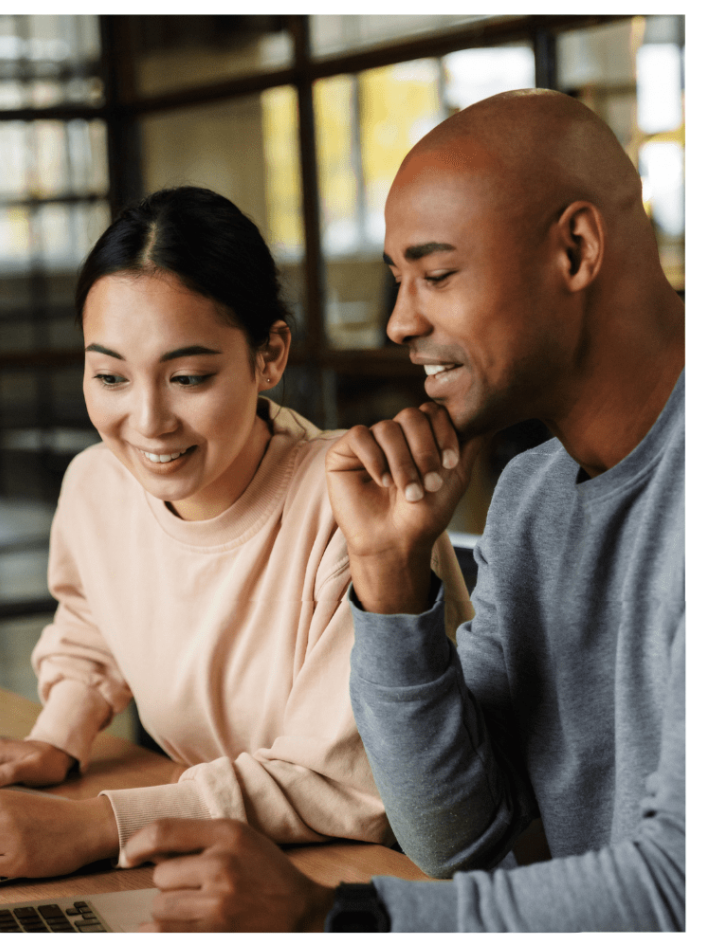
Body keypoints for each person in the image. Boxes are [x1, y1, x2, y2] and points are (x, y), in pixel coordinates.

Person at [120, 89, 685, 932]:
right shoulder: (533, 501)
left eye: (437, 274)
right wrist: (389, 579)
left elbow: (681, 888)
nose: (398, 320)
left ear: (575, 248)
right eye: (397, 280)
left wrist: (334, 912)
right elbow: (456, 834)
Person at [0, 186, 469, 879]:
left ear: (270, 356)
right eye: (110, 375)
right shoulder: (98, 483)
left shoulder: (356, 506)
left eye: (187, 376)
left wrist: (102, 823)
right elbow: (94, 620)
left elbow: (343, 782)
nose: (148, 420)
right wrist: (57, 735)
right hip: (223, 858)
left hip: (364, 880)